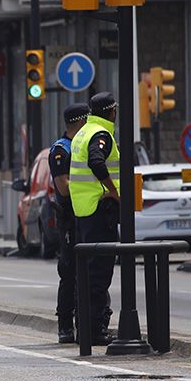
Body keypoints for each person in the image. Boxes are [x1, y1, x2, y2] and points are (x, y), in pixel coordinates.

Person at [69, 91, 121, 345]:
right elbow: (96, 161)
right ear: (112, 112)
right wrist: (113, 191)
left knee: (87, 276)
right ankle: (96, 331)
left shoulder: (82, 132)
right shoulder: (100, 134)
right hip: (99, 211)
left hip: (84, 211)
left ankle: (86, 330)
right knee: (99, 276)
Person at [49, 104, 89, 344]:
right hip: (70, 218)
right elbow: (64, 185)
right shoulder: (61, 150)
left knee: (89, 273)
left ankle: (89, 324)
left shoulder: (83, 146)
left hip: (87, 215)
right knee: (69, 272)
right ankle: (65, 326)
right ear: (81, 121)